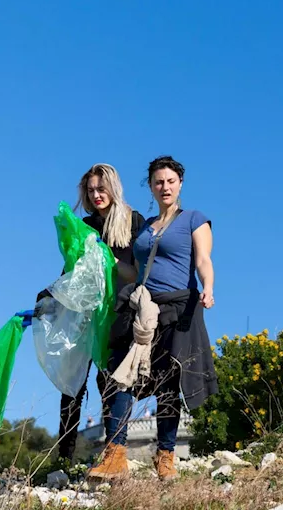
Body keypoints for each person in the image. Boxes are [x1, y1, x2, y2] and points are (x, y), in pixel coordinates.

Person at [87, 155, 219, 482]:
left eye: (170, 181)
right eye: (159, 182)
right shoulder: (145, 227)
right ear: (151, 186)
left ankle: (166, 459)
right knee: (123, 373)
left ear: (180, 184)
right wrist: (106, 259)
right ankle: (116, 457)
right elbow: (133, 268)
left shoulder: (194, 219)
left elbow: (203, 259)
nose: (165, 187)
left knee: (168, 385)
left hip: (180, 307)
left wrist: (209, 287)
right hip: (146, 308)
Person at [44, 164, 145, 463]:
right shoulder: (85, 226)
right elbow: (72, 272)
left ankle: (112, 452)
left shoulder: (133, 222)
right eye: (91, 190)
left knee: (110, 382)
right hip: (84, 315)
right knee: (72, 384)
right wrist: (48, 298)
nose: (96, 195)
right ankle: (64, 458)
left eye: (101, 189)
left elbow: (138, 273)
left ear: (113, 188)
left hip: (116, 313)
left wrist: (109, 258)